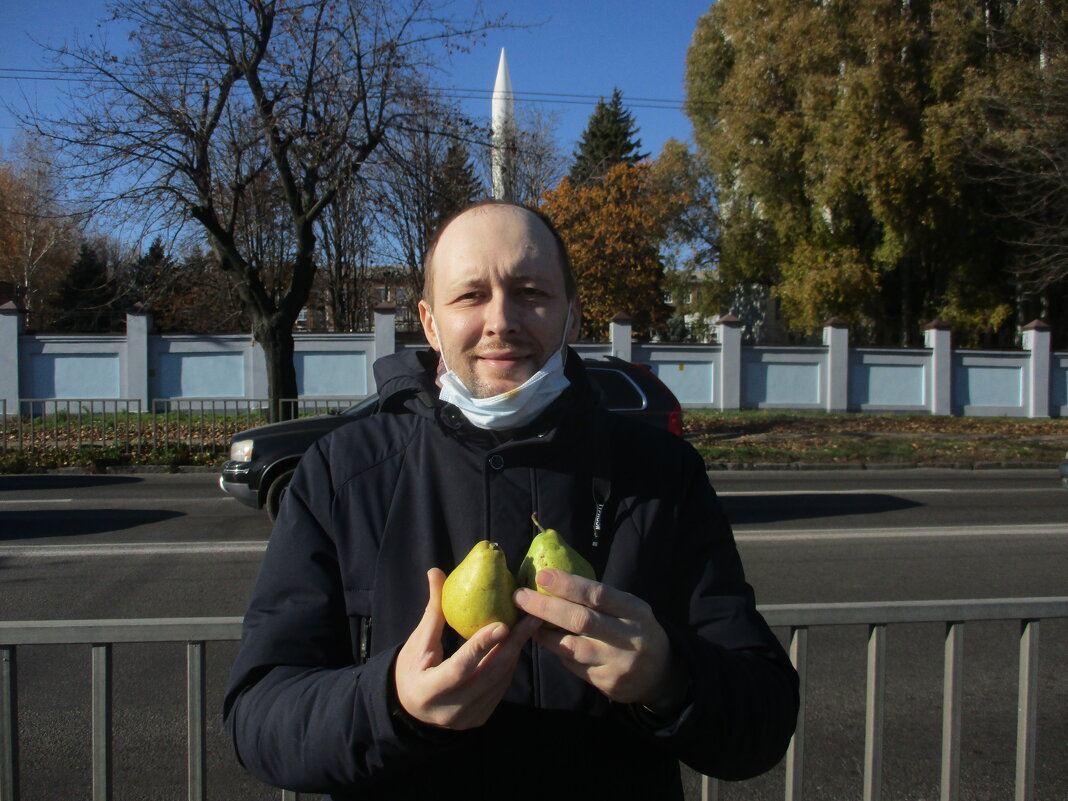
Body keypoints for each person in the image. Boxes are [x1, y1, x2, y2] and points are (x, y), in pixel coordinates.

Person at [223, 201, 799, 800]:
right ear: (428, 322)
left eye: (531, 292)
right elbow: (258, 715)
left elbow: (764, 718)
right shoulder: (343, 472)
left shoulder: (661, 473)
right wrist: (391, 703)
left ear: (572, 317)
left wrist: (668, 676)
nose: (501, 319)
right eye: (470, 296)